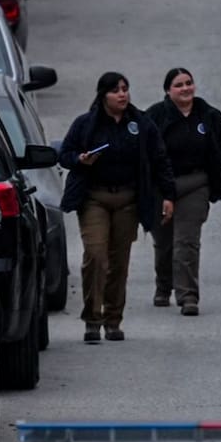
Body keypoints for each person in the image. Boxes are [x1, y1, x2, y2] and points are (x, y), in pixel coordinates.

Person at [58, 72, 177, 344]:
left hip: (128, 200)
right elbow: (64, 154)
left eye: (125, 89)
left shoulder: (141, 124)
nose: (122, 94)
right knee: (96, 256)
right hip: (94, 198)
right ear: (103, 96)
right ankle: (92, 318)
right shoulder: (86, 124)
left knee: (118, 262)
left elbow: (160, 159)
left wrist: (168, 195)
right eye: (116, 90)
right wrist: (80, 159)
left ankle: (113, 320)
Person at [145, 68, 221, 317]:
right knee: (164, 243)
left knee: (187, 242)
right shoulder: (155, 116)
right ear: (168, 90)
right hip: (162, 186)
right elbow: (145, 153)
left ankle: (188, 296)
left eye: (188, 83)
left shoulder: (209, 116)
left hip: (196, 183)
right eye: (178, 85)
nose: (185, 89)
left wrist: (214, 171)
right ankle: (164, 285)